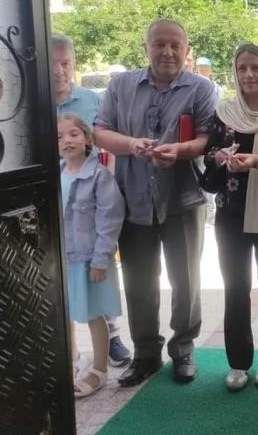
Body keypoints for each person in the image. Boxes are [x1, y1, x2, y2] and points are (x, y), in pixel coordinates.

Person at [94, 19, 215, 387]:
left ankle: (183, 349)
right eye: (159, 44)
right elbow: (99, 131)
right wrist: (132, 145)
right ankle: (146, 353)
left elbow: (206, 138)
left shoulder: (201, 88)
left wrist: (179, 151)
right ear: (146, 47)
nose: (167, 52)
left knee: (186, 279)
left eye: (176, 45)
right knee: (139, 281)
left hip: (183, 198)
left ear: (186, 49)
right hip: (133, 199)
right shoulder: (121, 85)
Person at [201, 43, 258, 391]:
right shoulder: (223, 114)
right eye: (242, 68)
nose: (249, 75)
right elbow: (208, 169)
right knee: (235, 288)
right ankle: (238, 362)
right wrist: (221, 159)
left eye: (256, 67)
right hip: (231, 214)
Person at [52, 33, 132, 368]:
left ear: (73, 64)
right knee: (63, 288)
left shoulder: (89, 99)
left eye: (65, 63)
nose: (59, 71)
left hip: (91, 189)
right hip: (57, 191)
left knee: (93, 277)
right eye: (52, 64)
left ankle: (111, 341)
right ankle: (67, 356)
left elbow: (105, 140)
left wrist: (107, 176)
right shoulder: (33, 101)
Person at [58, 114, 125, 397]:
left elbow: (109, 219)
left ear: (87, 138)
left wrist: (100, 260)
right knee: (67, 313)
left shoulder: (98, 175)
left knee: (95, 314)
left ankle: (99, 370)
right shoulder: (56, 174)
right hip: (64, 259)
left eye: (73, 134)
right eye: (59, 136)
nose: (67, 140)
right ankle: (71, 363)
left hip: (89, 259)